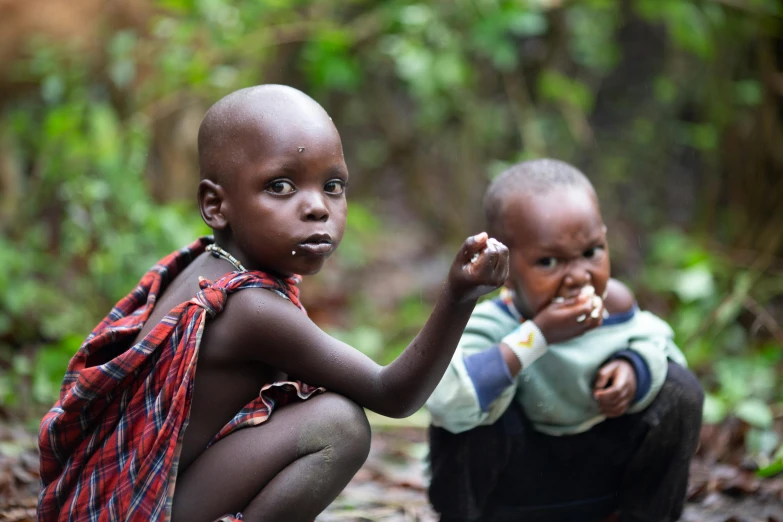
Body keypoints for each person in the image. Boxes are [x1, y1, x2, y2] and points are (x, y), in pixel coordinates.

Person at [36, 84, 510, 522]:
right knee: (339, 426)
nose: (318, 207)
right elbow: (394, 394)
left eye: (334, 185)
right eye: (281, 186)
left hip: (112, 503)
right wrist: (459, 296)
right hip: (142, 510)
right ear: (216, 206)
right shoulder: (251, 309)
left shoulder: (202, 263)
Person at [425, 159, 704, 522]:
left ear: (605, 237)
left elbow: (661, 345)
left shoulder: (614, 307)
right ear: (504, 268)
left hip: (597, 489)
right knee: (468, 407)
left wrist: (632, 369)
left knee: (680, 388)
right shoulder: (494, 322)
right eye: (549, 262)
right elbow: (448, 400)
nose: (577, 277)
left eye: (591, 253)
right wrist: (536, 337)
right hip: (512, 496)